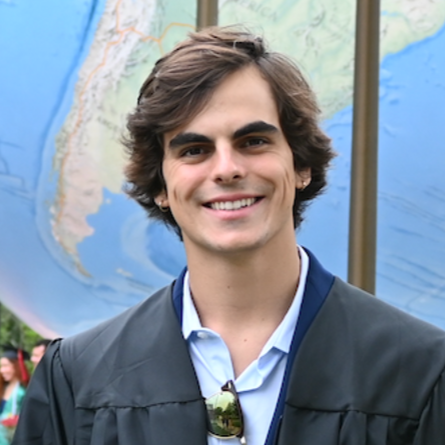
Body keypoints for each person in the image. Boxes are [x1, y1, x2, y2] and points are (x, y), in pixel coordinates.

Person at [13, 26, 445, 445]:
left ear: (301, 167)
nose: (226, 169)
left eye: (254, 141)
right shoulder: (78, 380)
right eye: (194, 150)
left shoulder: (421, 372)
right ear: (161, 186)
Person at [0, 348, 28, 445]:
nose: (2, 370)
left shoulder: (22, 392)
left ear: (17, 366)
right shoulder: (4, 388)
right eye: (1, 366)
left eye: (5, 366)